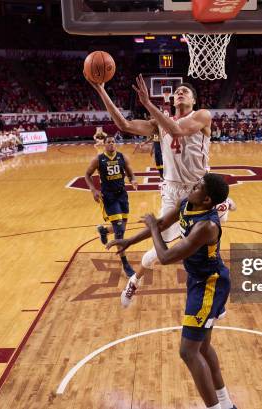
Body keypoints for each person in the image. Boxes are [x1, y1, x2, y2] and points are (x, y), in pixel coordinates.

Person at [107, 173, 237, 409]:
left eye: (198, 186)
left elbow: (165, 257)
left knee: (188, 352)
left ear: (207, 199)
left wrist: (152, 227)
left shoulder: (207, 226)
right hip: (199, 280)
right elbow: (163, 224)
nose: (193, 187)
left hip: (210, 284)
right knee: (203, 347)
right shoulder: (187, 203)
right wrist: (130, 241)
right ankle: (226, 405)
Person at [87, 75, 212, 307]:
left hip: (199, 189)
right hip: (173, 191)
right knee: (160, 247)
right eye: (177, 92)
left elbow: (176, 130)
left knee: (203, 243)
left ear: (194, 100)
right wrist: (102, 91)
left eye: (185, 91)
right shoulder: (158, 125)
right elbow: (124, 125)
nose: (180, 93)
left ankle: (211, 297)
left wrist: (147, 103)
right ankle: (134, 280)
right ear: (173, 100)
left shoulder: (201, 115)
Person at [86, 135, 139, 277]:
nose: (111, 144)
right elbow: (87, 174)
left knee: (122, 226)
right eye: (108, 142)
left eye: (113, 142)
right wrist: (93, 189)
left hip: (122, 195)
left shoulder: (122, 157)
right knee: (120, 232)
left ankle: (104, 230)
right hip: (109, 197)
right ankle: (125, 263)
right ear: (104, 145)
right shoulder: (98, 159)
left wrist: (133, 179)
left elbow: (129, 171)